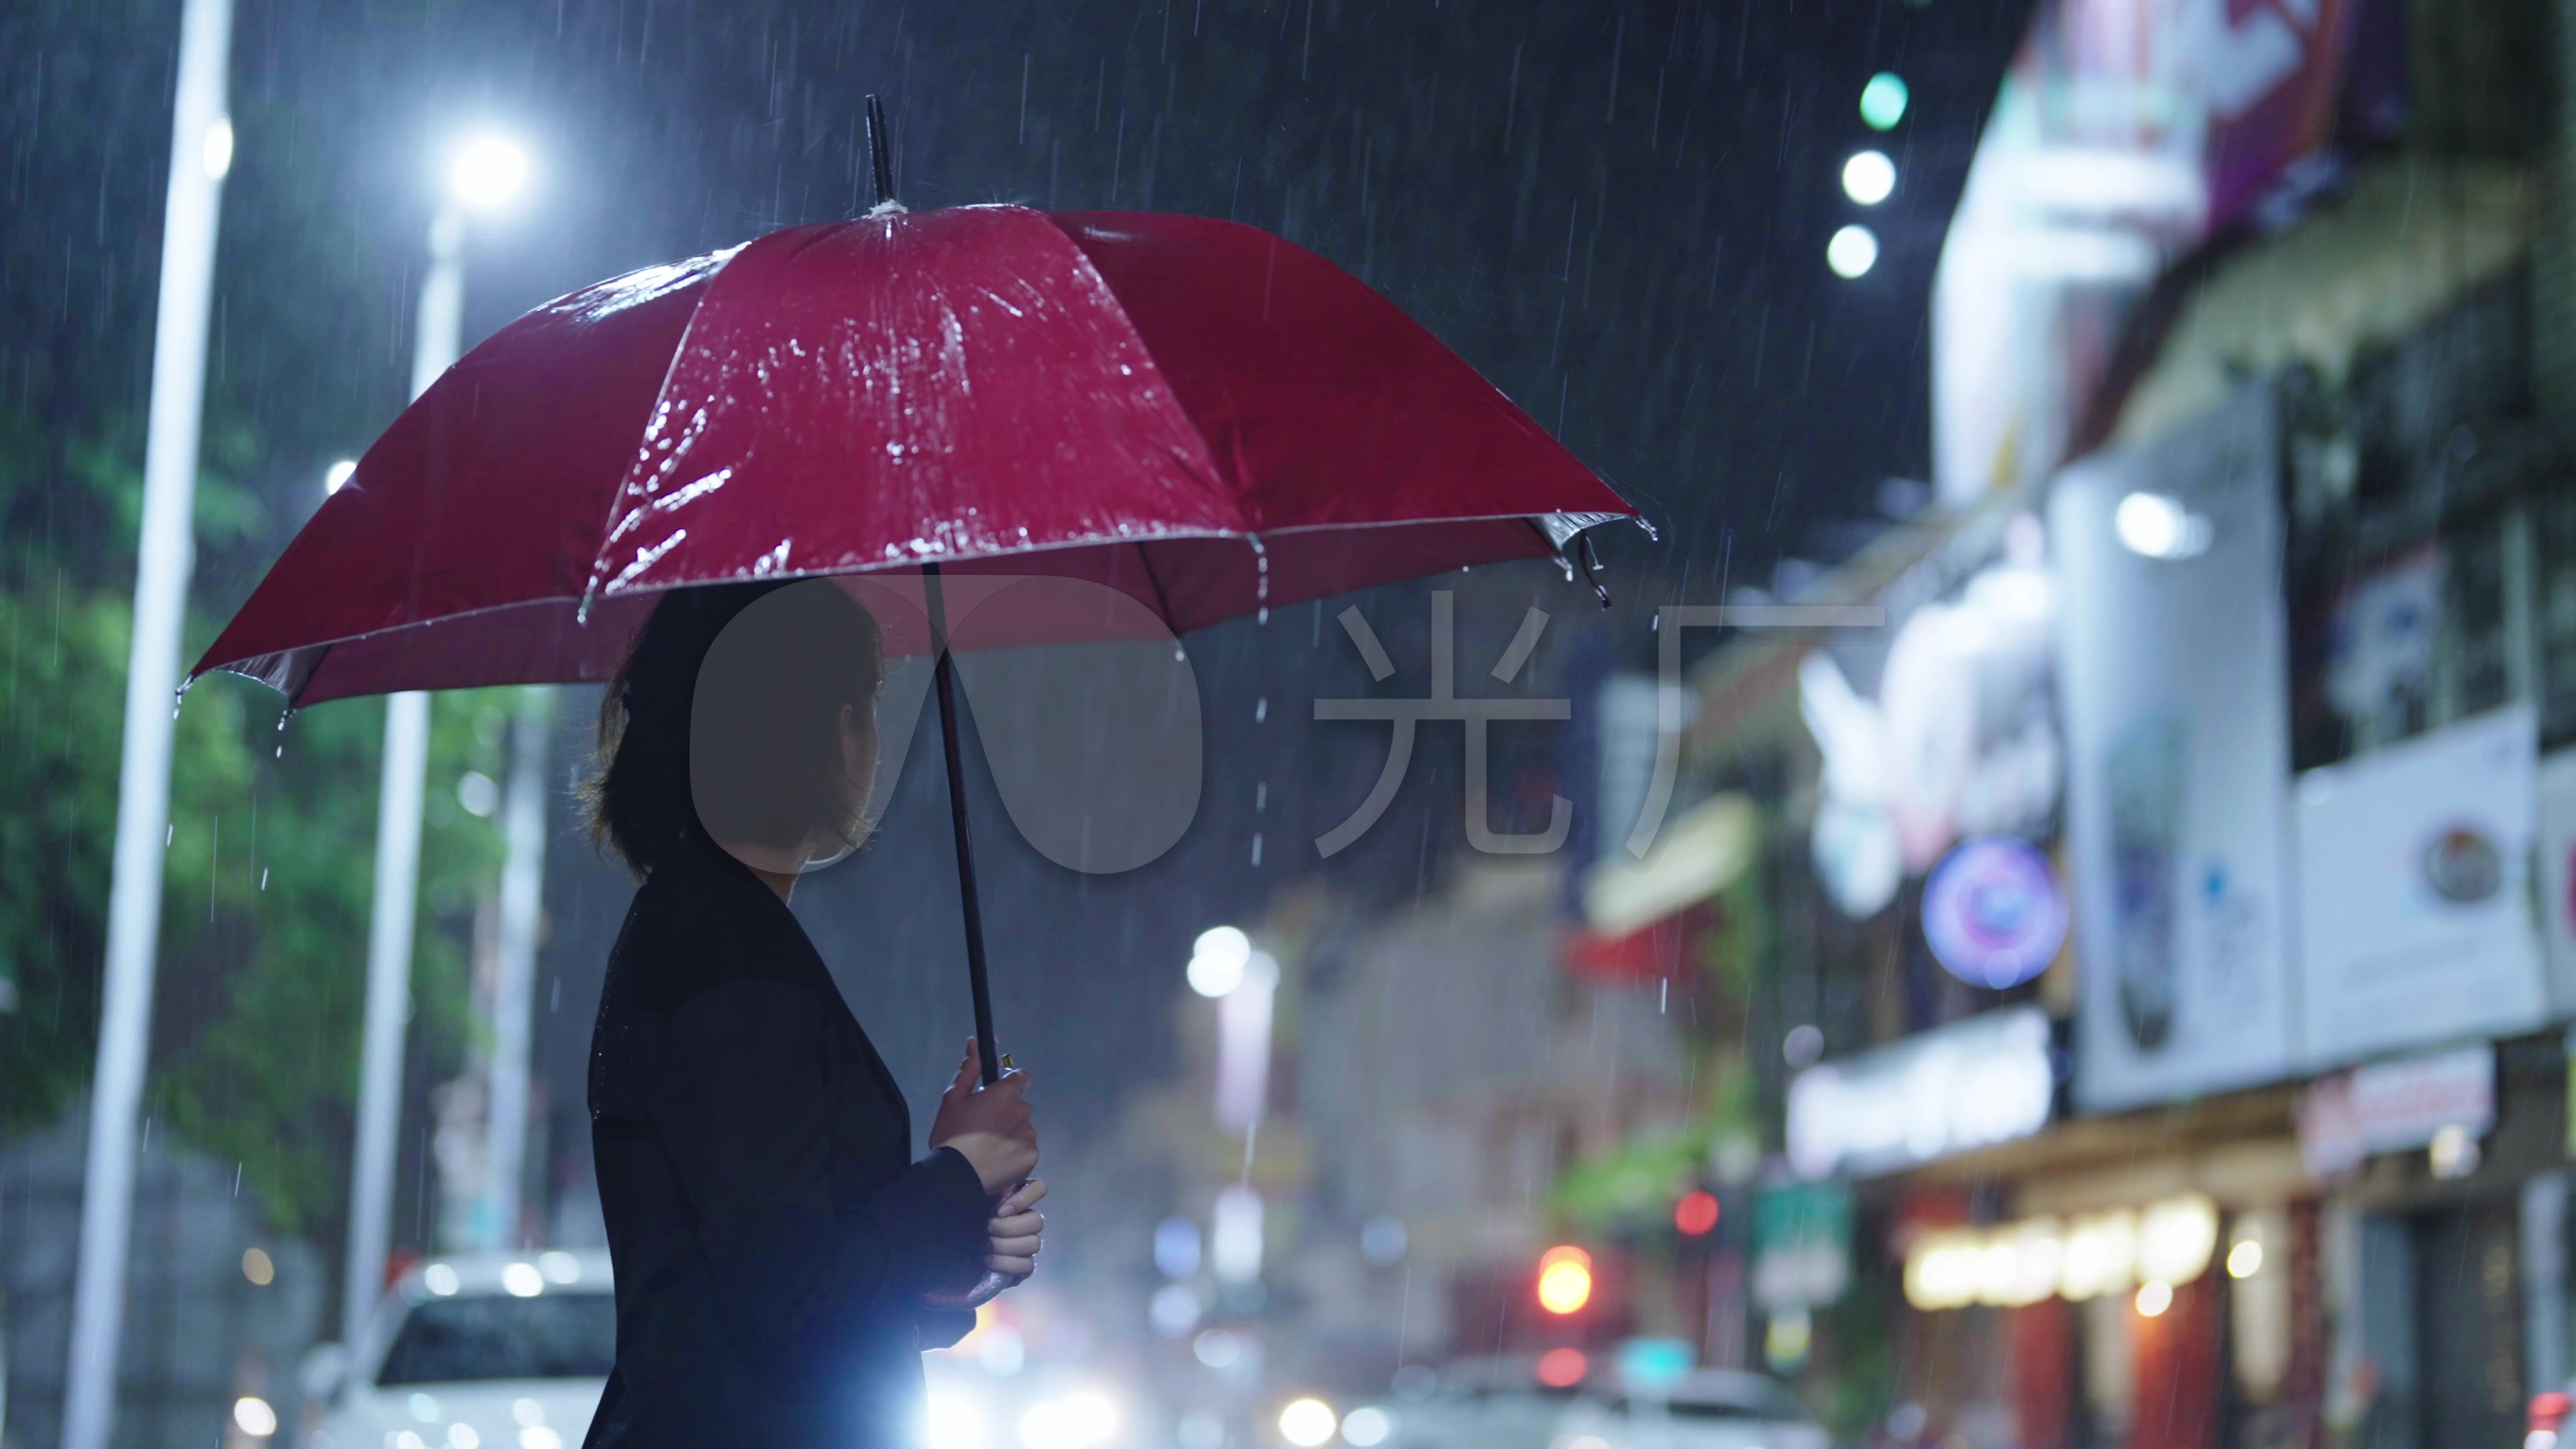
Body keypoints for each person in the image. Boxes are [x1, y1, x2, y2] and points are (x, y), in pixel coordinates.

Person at [578, 579, 1043, 1447]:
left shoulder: (708, 930)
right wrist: (959, 1171)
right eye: (864, 703)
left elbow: (778, 1266)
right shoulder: (727, 954)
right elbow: (793, 1304)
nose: (871, 739)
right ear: (819, 726)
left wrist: (955, 1246)